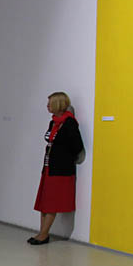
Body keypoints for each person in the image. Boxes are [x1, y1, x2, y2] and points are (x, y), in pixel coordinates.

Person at [30, 91, 84, 245]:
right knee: (44, 203)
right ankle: (42, 233)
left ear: (58, 104)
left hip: (60, 170)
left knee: (51, 203)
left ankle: (43, 234)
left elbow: (77, 146)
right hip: (48, 168)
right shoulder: (53, 122)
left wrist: (63, 155)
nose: (47, 106)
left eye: (50, 103)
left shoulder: (69, 123)